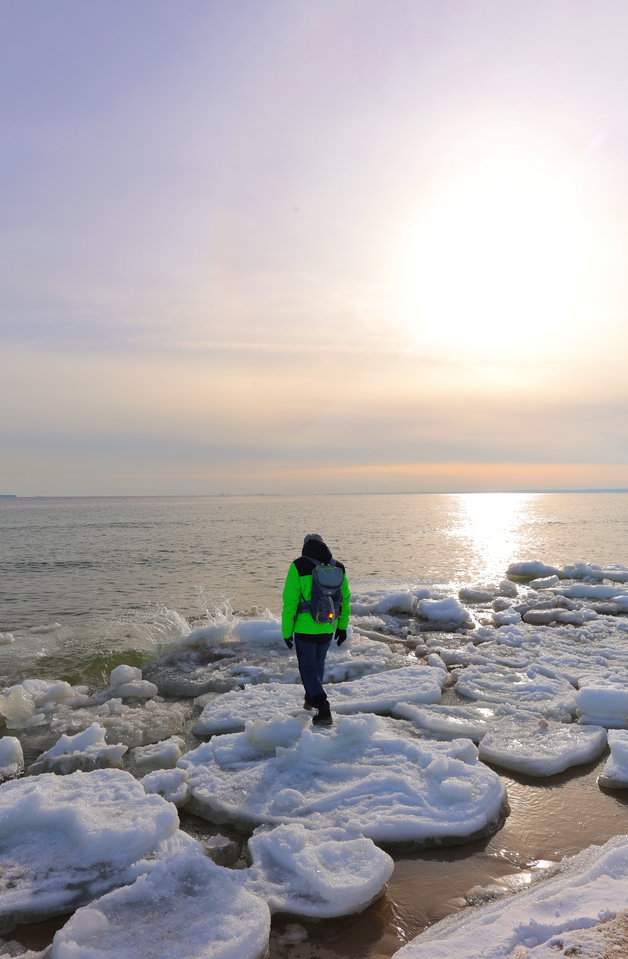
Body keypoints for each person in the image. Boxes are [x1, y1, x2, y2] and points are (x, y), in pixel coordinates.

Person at [281, 533, 351, 726]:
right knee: (318, 665)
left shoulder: (299, 566)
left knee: (307, 669)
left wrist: (286, 632)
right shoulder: (338, 567)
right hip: (327, 626)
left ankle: (322, 706)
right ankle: (310, 698)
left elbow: (290, 603)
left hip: (305, 628)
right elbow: (345, 600)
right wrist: (342, 627)